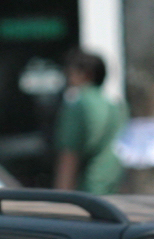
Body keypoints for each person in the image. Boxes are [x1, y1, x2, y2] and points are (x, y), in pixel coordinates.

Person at [53, 50, 126, 194]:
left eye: (71, 72)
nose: (68, 76)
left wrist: (61, 196)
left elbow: (69, 154)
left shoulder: (78, 104)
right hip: (113, 182)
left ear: (86, 74)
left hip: (88, 187)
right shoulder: (115, 105)